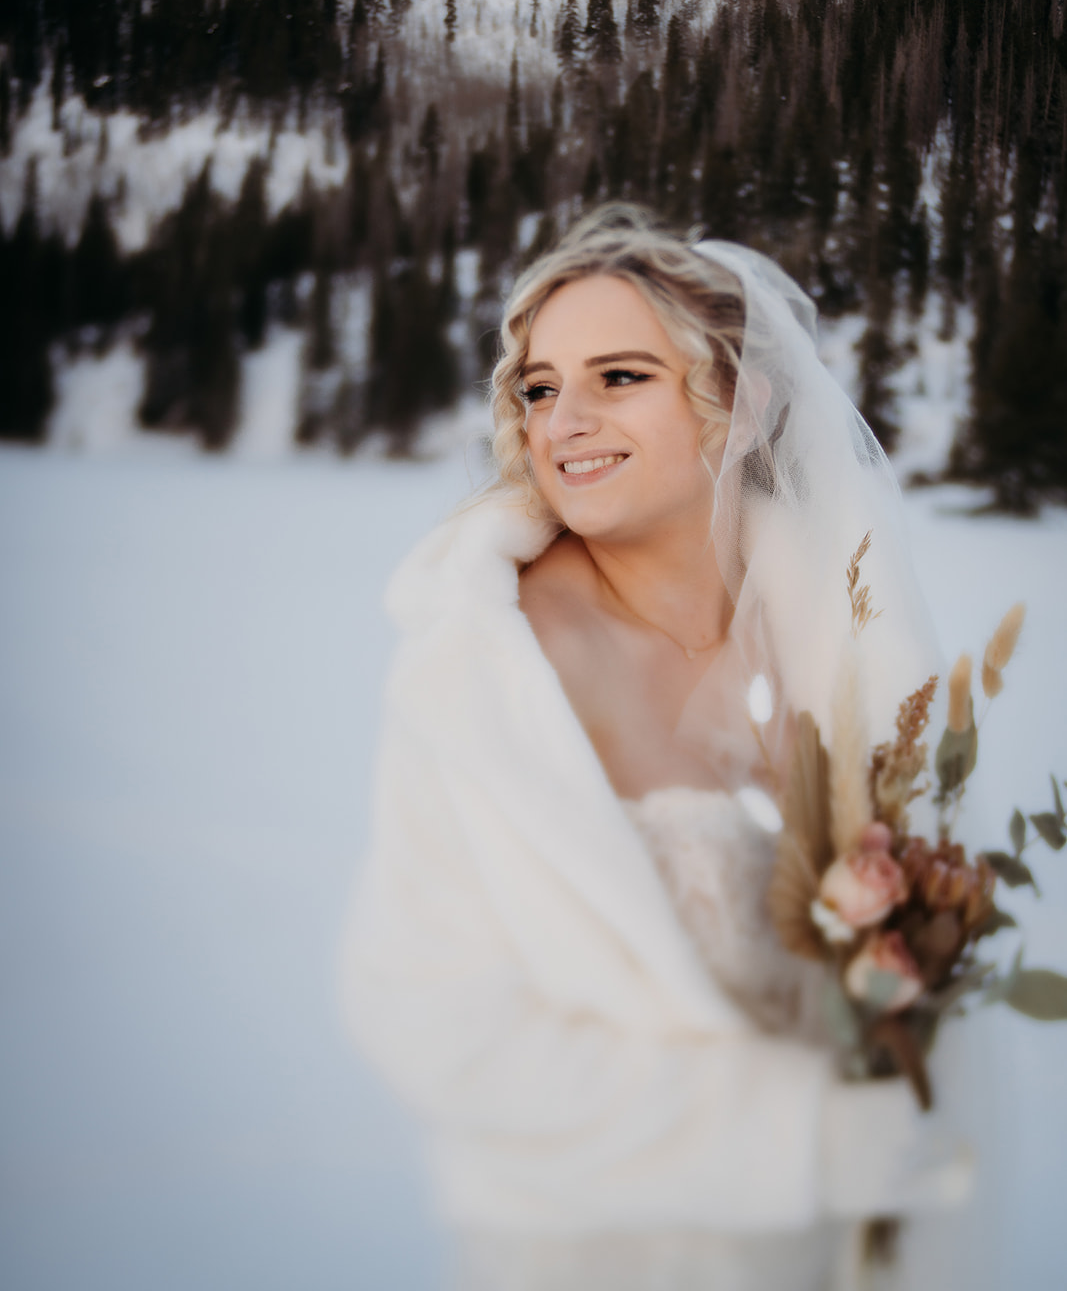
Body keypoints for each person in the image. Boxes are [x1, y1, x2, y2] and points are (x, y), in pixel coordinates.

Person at [340, 204, 972, 1290]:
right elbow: (428, 1017)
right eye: (538, 387)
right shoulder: (485, 671)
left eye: (618, 376)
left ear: (737, 398)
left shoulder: (848, 637)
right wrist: (798, 1140)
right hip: (593, 1249)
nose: (562, 420)